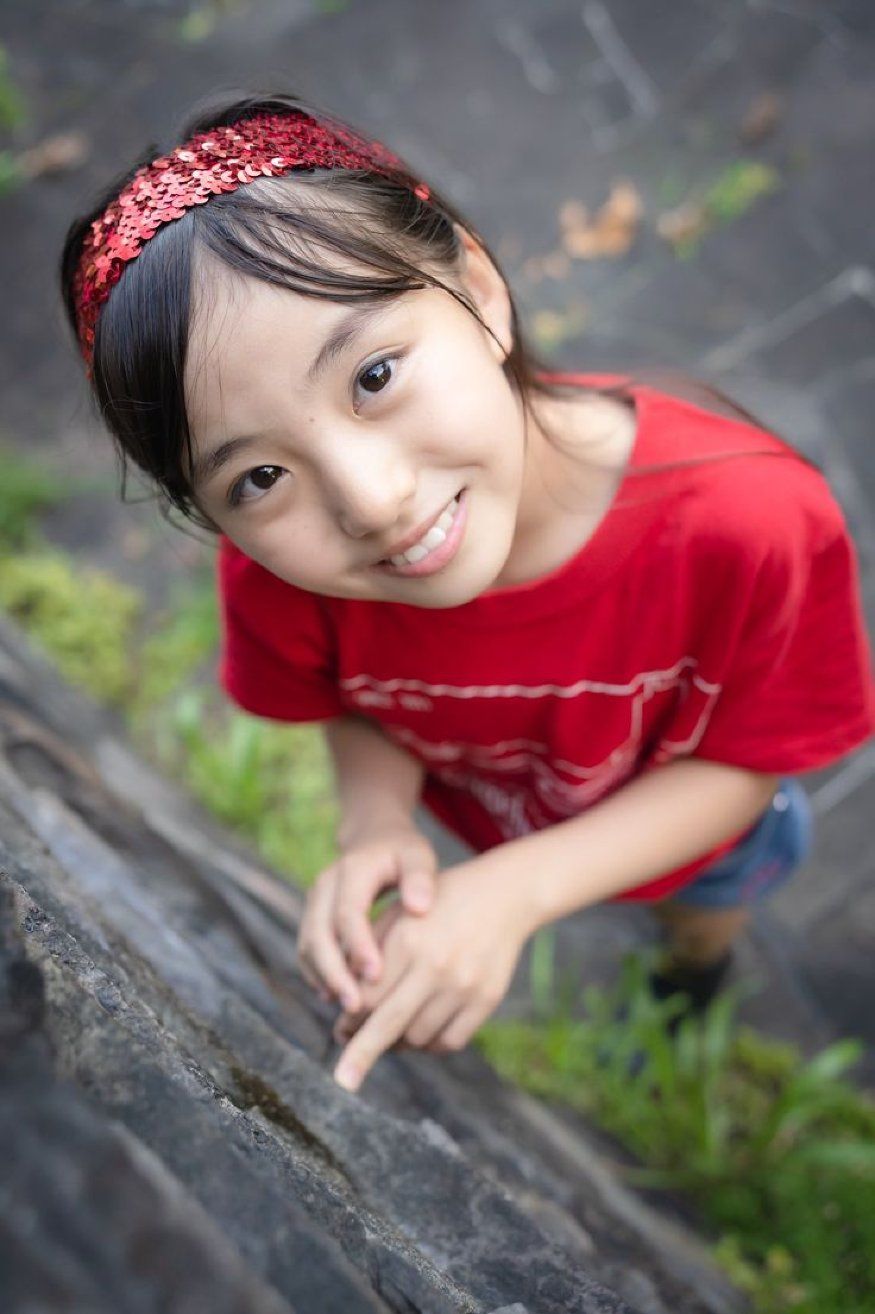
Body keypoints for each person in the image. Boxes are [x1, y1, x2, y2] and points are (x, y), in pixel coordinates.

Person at [61, 90, 875, 1095]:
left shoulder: (750, 523)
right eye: (258, 477)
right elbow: (351, 706)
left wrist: (515, 891)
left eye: (372, 377)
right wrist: (375, 825)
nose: (371, 502)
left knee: (700, 910)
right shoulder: (279, 581)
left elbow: (748, 761)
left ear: (478, 292)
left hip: (693, 834)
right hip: (507, 818)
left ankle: (693, 972)